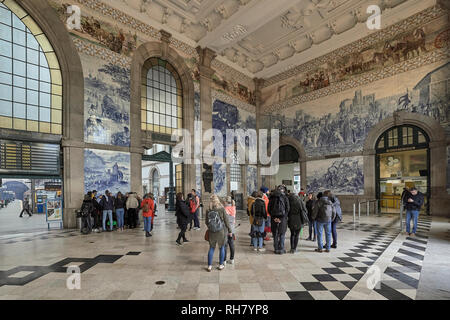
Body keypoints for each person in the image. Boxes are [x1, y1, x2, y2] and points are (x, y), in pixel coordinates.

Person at [205, 194, 232, 272]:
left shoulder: (208, 210)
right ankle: (220, 265)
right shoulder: (221, 209)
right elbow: (227, 221)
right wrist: (230, 231)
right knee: (222, 247)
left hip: (212, 231)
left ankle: (209, 266)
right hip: (221, 231)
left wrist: (211, 227)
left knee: (211, 248)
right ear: (217, 200)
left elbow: (206, 222)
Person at [268, 185, 290, 254]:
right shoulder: (285, 197)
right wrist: (283, 217)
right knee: (282, 234)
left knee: (275, 234)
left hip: (274, 218)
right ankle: (281, 249)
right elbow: (288, 208)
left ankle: (276, 249)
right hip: (282, 218)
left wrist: (273, 217)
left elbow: (269, 209)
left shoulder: (271, 197)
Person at [224, 196, 236, 264]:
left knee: (225, 245)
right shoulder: (233, 207)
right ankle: (232, 259)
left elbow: (226, 220)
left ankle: (224, 260)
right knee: (231, 244)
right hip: (232, 228)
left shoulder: (225, 208)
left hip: (226, 228)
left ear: (225, 202)